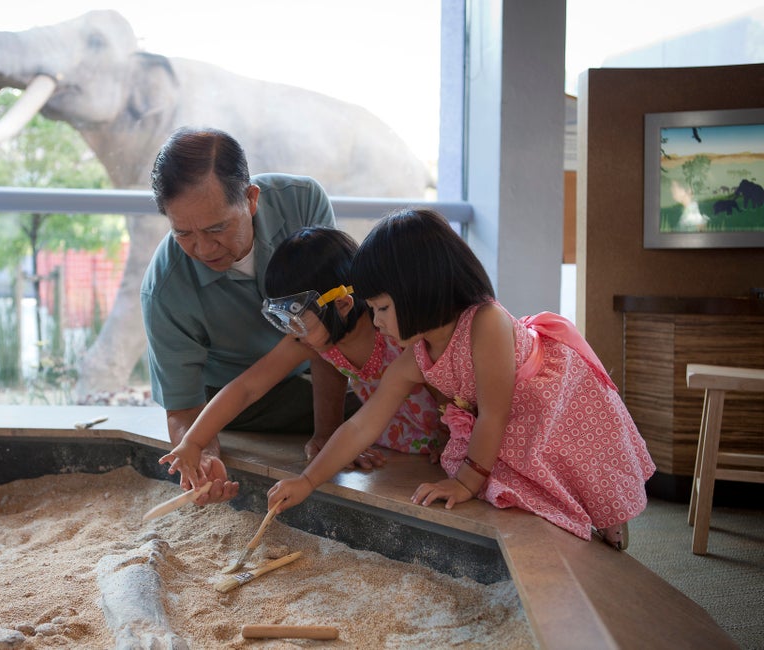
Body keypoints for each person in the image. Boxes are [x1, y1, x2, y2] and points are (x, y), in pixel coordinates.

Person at [267, 208, 656, 549]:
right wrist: (307, 481)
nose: (376, 321)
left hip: (549, 400)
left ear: (419, 290)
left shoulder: (485, 322)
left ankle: (608, 516)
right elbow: (360, 426)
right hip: (507, 415)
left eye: (382, 308)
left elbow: (493, 415)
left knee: (578, 464)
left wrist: (466, 483)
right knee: (517, 478)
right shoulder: (416, 356)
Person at [141, 127, 356, 504]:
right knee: (368, 409)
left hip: (319, 359)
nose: (203, 248)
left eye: (217, 228)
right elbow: (191, 404)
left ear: (251, 199)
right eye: (183, 234)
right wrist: (203, 456)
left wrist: (328, 434)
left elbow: (331, 337)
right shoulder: (163, 288)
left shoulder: (303, 201)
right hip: (236, 398)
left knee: (380, 399)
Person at [158, 227, 447, 485]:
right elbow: (246, 388)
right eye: (282, 320)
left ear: (343, 305)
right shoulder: (312, 338)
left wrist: (451, 438)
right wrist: (193, 442)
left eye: (296, 319)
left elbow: (444, 380)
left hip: (449, 436)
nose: (290, 331)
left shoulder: (393, 329)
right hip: (395, 440)